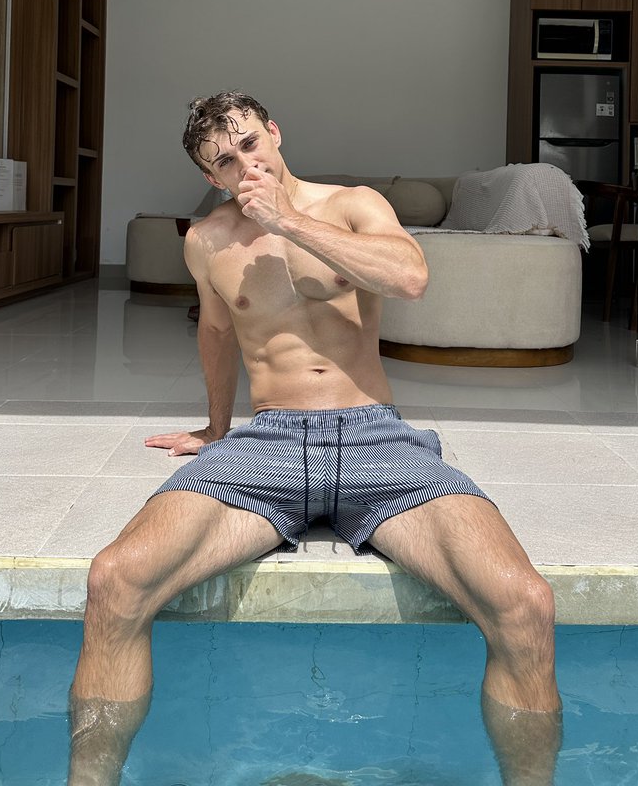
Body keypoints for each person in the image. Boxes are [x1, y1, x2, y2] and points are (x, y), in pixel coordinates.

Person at [68, 92, 561, 786]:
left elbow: (411, 277)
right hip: (267, 440)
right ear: (210, 177)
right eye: (224, 161)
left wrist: (287, 221)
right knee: (115, 581)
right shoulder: (207, 240)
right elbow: (217, 333)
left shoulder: (353, 205)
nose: (245, 164)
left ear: (274, 132)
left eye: (250, 143)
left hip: (375, 438)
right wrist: (216, 428)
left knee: (525, 604)